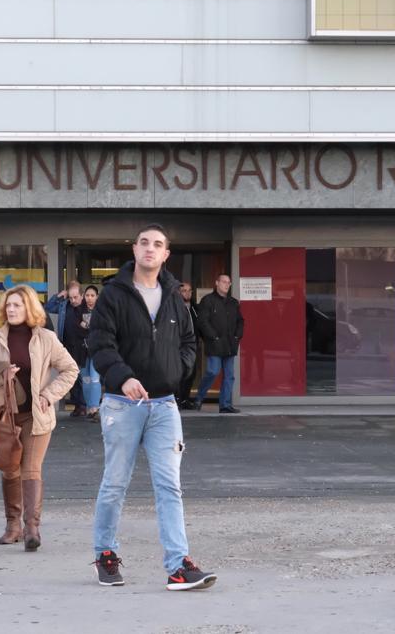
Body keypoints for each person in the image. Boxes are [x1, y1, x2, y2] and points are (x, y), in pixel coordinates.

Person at [87, 223, 216, 591]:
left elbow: (190, 342)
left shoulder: (175, 296)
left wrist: (176, 373)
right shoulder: (114, 294)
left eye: (157, 244)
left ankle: (178, 566)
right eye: (144, 242)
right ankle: (105, 555)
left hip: (164, 405)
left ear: (165, 255)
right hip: (121, 404)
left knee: (169, 486)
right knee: (115, 483)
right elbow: (99, 342)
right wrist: (123, 376)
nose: (149, 248)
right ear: (134, 249)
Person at [0, 284, 77, 549]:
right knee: (10, 469)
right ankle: (12, 525)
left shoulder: (46, 338)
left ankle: (31, 528)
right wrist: (0, 373)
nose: (11, 309)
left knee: (30, 468)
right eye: (8, 305)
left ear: (29, 308)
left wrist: (49, 395)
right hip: (6, 417)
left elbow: (70, 369)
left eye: (17, 305)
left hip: (37, 417)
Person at [192, 274, 245, 413]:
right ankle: (199, 398)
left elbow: (240, 321)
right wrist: (214, 337)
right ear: (217, 283)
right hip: (215, 344)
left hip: (230, 345)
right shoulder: (208, 300)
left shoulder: (233, 302)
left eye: (229, 282)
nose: (227, 285)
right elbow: (202, 322)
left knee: (229, 376)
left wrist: (237, 336)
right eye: (224, 282)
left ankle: (225, 405)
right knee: (213, 371)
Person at [45, 281, 85, 415]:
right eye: (71, 297)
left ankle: (85, 405)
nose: (73, 300)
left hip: (83, 346)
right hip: (67, 345)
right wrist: (59, 296)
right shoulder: (63, 306)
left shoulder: (87, 307)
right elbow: (48, 308)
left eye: (76, 297)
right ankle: (79, 405)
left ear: (82, 295)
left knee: (83, 377)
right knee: (72, 376)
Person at [65, 285, 103, 421]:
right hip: (81, 350)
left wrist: (86, 326)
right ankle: (89, 407)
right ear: (84, 296)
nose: (89, 298)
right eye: (87, 295)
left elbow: (102, 328)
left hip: (97, 349)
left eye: (92, 295)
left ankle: (95, 408)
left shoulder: (101, 310)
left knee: (94, 378)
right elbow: (76, 329)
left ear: (97, 297)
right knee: (86, 379)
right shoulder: (78, 310)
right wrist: (87, 328)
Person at [175, 281, 200, 408]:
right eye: (184, 290)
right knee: (180, 373)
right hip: (179, 346)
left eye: (189, 290)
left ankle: (185, 399)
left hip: (193, 346)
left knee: (191, 374)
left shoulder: (194, 307)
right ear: (179, 292)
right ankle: (177, 399)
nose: (187, 293)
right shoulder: (175, 308)